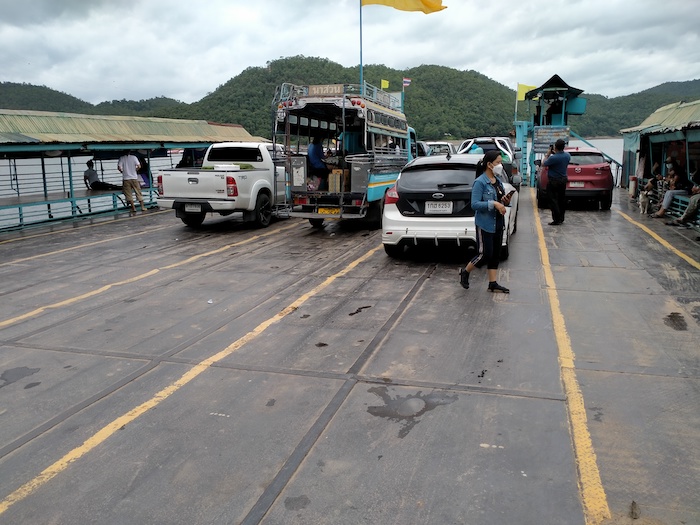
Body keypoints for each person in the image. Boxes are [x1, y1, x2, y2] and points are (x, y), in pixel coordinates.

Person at [458, 150, 514, 293]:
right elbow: (475, 204)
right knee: (485, 254)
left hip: (498, 223)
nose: (501, 165)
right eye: (498, 162)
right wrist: (493, 204)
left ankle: (492, 283)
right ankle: (465, 272)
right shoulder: (480, 182)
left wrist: (505, 201)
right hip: (485, 224)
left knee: (495, 254)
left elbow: (500, 201)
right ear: (489, 164)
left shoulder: (498, 181)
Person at [542, 139, 570, 225]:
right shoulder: (567, 155)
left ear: (555, 147)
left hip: (554, 181)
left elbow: (544, 163)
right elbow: (560, 159)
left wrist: (548, 154)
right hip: (563, 180)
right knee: (561, 199)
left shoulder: (553, 158)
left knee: (552, 200)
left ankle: (556, 219)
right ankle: (561, 218)